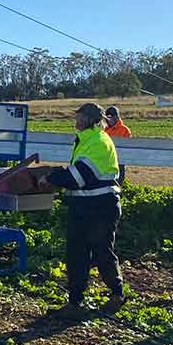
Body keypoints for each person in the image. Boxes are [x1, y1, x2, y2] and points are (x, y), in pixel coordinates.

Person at [42, 102, 125, 315]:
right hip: (86, 205)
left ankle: (117, 293)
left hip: (100, 207)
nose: (75, 121)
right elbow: (77, 174)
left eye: (78, 117)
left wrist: (51, 178)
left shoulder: (98, 142)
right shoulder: (87, 140)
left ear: (88, 120)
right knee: (77, 253)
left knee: (101, 251)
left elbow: (79, 176)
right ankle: (75, 301)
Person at [103, 105, 131, 185]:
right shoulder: (104, 129)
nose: (109, 120)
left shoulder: (124, 130)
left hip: (120, 161)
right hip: (106, 161)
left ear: (116, 117)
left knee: (118, 183)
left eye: (110, 117)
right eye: (107, 117)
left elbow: (127, 147)